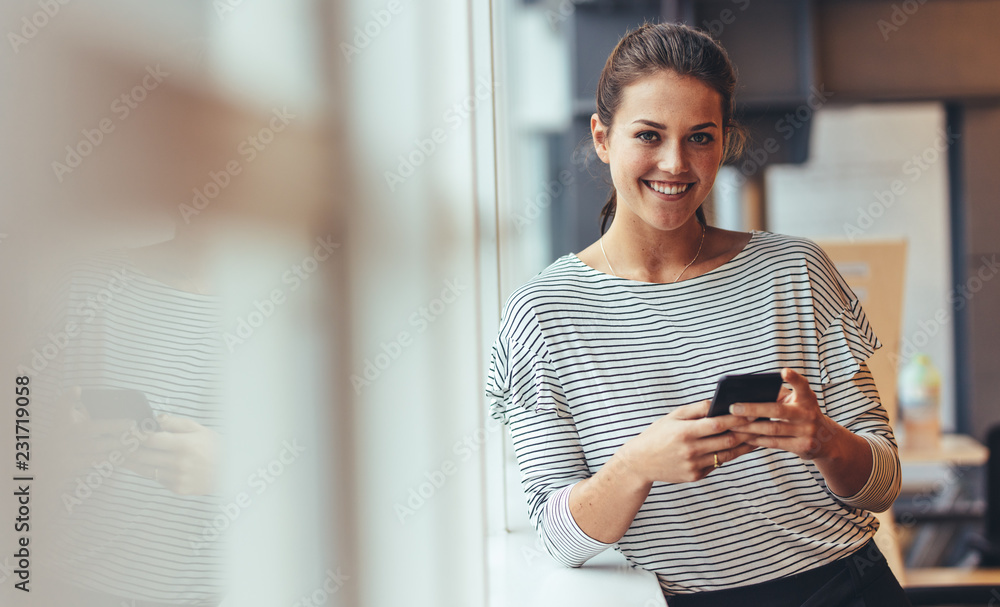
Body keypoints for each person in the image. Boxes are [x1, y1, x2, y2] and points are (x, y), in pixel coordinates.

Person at [485, 22, 910, 606]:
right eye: (649, 135)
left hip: (844, 588)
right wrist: (636, 464)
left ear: (725, 142)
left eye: (700, 138)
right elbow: (558, 538)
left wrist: (824, 441)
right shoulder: (543, 313)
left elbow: (884, 483)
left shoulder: (798, 271)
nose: (675, 163)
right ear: (603, 138)